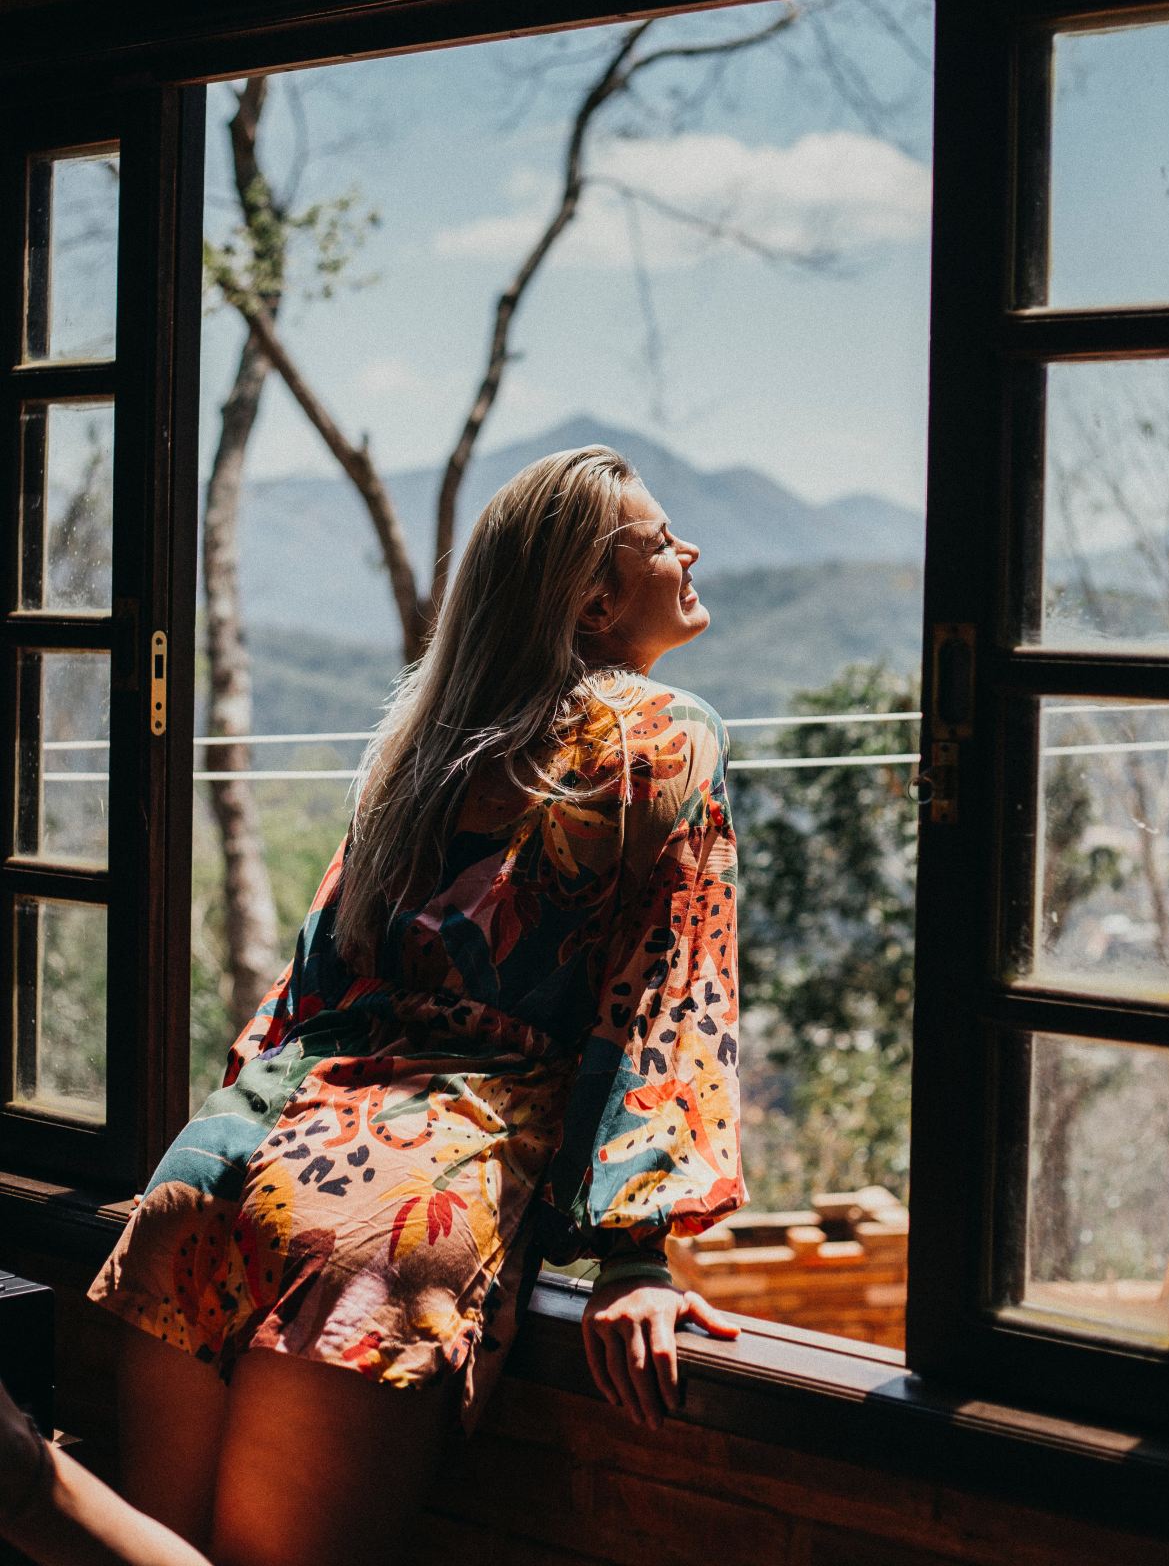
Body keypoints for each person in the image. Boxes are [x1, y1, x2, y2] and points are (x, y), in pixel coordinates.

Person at [1, 444, 747, 1566]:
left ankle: (29, 1492)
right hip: (404, 1189)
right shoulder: (661, 734)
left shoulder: (418, 745)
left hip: (223, 1166)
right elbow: (668, 988)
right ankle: (22, 1488)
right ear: (593, 597)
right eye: (656, 539)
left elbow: (312, 981)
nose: (687, 550)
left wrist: (228, 1133)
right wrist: (633, 1251)